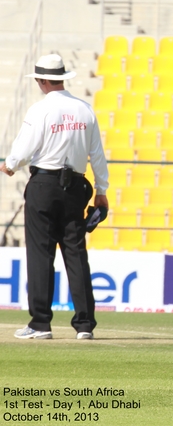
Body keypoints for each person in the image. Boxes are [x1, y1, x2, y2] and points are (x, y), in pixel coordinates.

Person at [1, 54, 109, 340]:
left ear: (42, 80)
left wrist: (10, 164)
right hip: (75, 187)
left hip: (45, 185)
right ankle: (84, 324)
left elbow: (24, 149)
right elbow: (97, 155)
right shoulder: (85, 109)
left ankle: (40, 323)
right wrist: (102, 191)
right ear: (62, 77)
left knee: (41, 254)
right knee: (75, 253)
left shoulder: (40, 110)